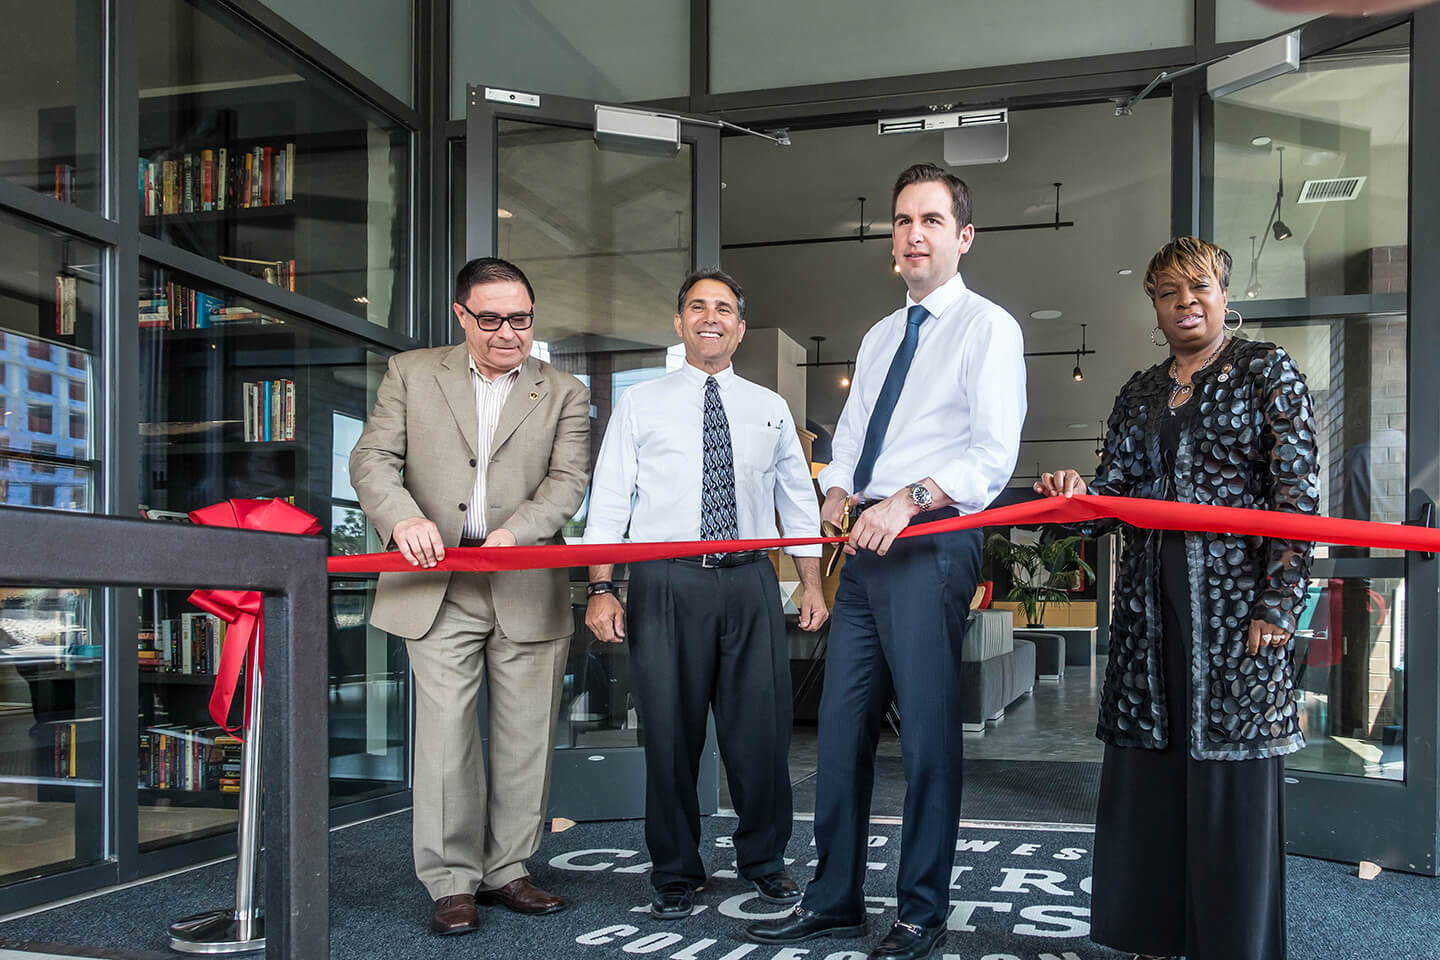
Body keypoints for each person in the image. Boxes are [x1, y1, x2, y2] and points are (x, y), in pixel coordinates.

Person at [747, 163, 1026, 960]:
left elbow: (992, 457)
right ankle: (834, 899)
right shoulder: (877, 335)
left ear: (963, 237)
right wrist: (834, 489)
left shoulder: (988, 328)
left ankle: (922, 912)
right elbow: (850, 439)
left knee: (930, 737)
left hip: (933, 544)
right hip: (864, 550)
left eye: (932, 220)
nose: (913, 234)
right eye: (903, 220)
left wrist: (911, 497)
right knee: (839, 733)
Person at [1034, 236, 1319, 960]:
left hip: (1233, 613)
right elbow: (1112, 496)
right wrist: (1074, 496)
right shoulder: (1139, 391)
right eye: (1168, 293)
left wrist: (1278, 604)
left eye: (1198, 288)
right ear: (1154, 307)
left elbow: (1296, 498)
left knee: (1230, 786)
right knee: (1152, 780)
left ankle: (1232, 945)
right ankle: (1152, 936)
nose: (1185, 302)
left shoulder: (1267, 373)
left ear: (1225, 295)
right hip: (1147, 616)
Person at [349, 257, 590, 936]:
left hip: (525, 579)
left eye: (521, 318)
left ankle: (509, 869)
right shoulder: (413, 372)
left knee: (524, 736)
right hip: (437, 584)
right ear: (462, 316)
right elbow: (371, 458)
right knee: (447, 737)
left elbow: (567, 482)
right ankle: (451, 880)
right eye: (491, 319)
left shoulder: (564, 391)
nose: (509, 332)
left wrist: (518, 534)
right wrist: (401, 518)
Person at [582, 268, 829, 921]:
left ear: (740, 327)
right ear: (680, 322)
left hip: (749, 581)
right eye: (698, 307)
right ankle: (674, 871)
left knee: (760, 735)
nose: (710, 318)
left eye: (723, 309)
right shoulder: (640, 404)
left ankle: (765, 863)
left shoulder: (770, 407)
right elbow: (609, 502)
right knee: (669, 736)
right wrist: (602, 587)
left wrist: (808, 582)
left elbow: (796, 503)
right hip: (666, 582)